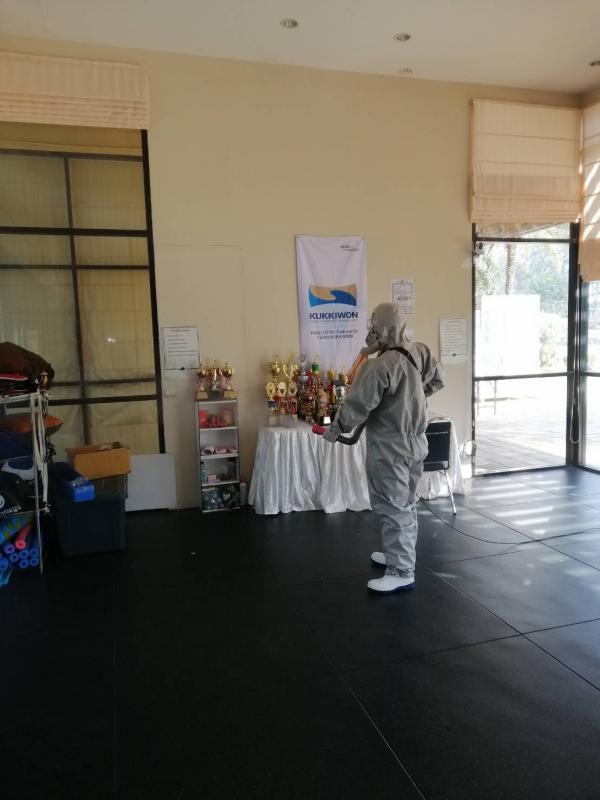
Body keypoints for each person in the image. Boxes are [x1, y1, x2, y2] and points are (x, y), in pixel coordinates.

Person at [323, 302, 445, 593]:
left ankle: (401, 571)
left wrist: (334, 430)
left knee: (392, 506)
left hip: (390, 448)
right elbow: (438, 380)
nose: (371, 330)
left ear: (382, 328)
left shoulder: (379, 367)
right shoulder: (420, 352)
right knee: (406, 502)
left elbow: (356, 406)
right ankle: (397, 554)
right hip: (416, 443)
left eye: (373, 324)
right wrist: (410, 397)